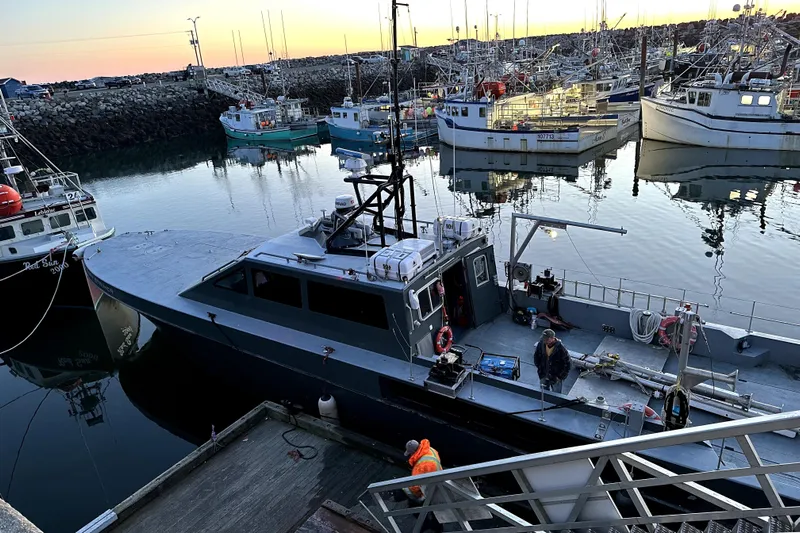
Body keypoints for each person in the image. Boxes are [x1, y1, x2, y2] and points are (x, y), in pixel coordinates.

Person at [401, 439, 443, 532]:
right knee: (434, 509)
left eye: (410, 453)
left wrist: (407, 493)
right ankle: (438, 527)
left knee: (414, 506)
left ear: (414, 452)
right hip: (438, 479)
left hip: (429, 487)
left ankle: (426, 524)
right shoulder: (430, 449)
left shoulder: (421, 465)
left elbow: (415, 487)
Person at [533, 329, 571, 393]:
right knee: (543, 392)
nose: (545, 341)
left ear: (553, 338)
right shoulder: (541, 344)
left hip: (556, 377)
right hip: (543, 374)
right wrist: (540, 367)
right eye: (544, 339)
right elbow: (536, 356)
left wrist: (560, 377)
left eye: (547, 339)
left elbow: (568, 364)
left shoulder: (561, 349)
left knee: (556, 394)